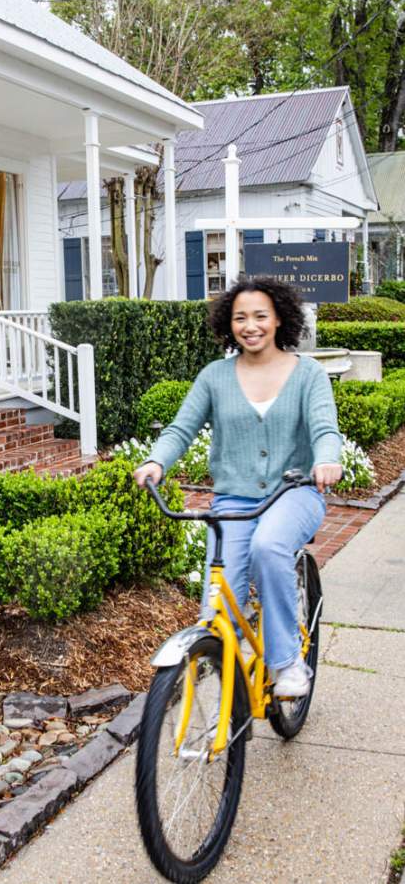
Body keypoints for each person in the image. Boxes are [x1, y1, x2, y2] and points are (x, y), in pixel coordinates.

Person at [133, 275, 342, 697]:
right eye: (240, 317)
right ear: (228, 325)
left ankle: (286, 664)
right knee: (218, 606)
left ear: (279, 318)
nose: (251, 326)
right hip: (234, 498)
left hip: (294, 493)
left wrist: (326, 459)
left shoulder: (309, 375)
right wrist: (157, 460)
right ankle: (225, 679)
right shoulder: (215, 376)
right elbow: (181, 428)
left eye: (260, 316)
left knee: (269, 548)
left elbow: (325, 429)